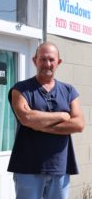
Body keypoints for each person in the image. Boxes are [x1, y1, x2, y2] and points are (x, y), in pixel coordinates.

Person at [8, 42, 85, 199]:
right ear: (34, 60)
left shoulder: (69, 91)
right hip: (27, 167)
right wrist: (62, 116)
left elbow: (79, 124)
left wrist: (40, 126)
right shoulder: (21, 89)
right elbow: (26, 117)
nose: (47, 64)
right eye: (42, 59)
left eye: (51, 59)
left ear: (58, 62)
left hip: (60, 167)